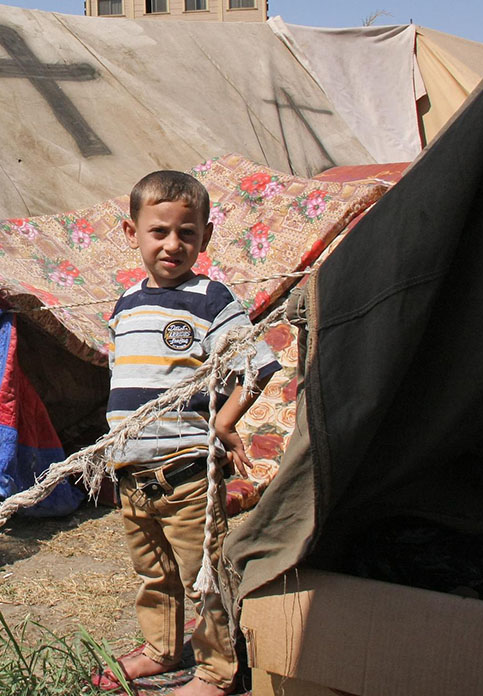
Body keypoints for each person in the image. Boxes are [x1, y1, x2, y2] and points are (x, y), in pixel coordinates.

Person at [95, 171, 279, 695]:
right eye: (159, 232)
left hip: (186, 476)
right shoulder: (126, 303)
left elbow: (257, 365)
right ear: (132, 233)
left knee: (205, 578)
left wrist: (224, 422)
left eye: (187, 233)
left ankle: (219, 671)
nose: (173, 245)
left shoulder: (209, 300)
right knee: (155, 573)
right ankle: (162, 649)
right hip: (133, 474)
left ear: (205, 236)